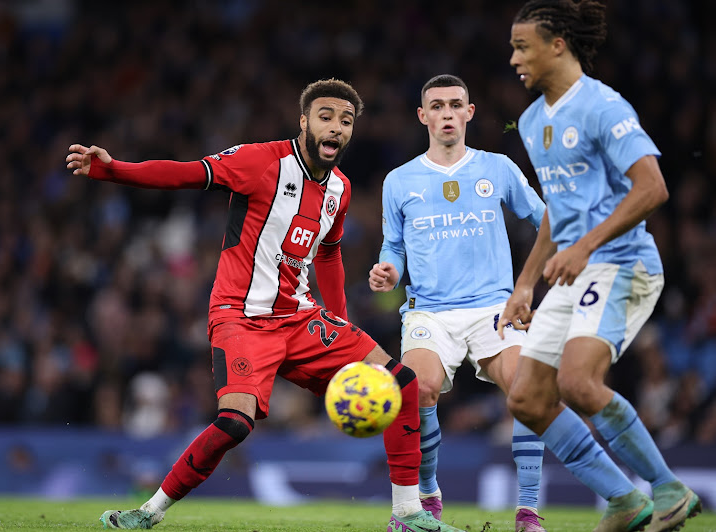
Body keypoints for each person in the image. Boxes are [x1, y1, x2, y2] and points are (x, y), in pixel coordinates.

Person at [66, 79, 465, 532]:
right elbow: (186, 172)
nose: (336, 127)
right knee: (235, 424)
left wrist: (338, 319)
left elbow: (330, 253)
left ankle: (407, 515)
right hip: (241, 318)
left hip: (301, 318)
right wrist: (113, 170)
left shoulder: (340, 189)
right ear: (304, 122)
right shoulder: (260, 161)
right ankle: (147, 512)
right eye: (326, 116)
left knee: (402, 384)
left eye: (346, 121)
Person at [499, 2, 702, 532]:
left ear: (558, 44)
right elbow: (556, 208)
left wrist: (585, 245)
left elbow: (652, 187)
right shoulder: (531, 120)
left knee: (579, 383)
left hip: (622, 262)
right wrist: (524, 284)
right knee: (527, 397)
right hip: (573, 268)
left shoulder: (603, 107)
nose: (514, 58)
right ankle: (622, 500)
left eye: (523, 46)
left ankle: (669, 490)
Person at [369, 74, 548, 532]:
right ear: (422, 115)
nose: (446, 113)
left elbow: (544, 220)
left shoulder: (498, 167)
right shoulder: (399, 180)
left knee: (528, 391)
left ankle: (528, 512)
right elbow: (394, 247)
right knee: (419, 388)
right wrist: (388, 269)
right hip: (430, 310)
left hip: (494, 307)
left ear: (469, 112)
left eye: (455, 105)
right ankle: (427, 496)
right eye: (437, 106)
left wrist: (539, 276)